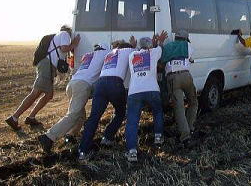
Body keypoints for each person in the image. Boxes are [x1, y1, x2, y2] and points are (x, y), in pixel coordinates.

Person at [37, 43, 110, 153]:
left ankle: (70, 135)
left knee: (80, 116)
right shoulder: (105, 53)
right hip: (82, 85)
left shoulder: (89, 55)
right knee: (73, 115)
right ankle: (48, 137)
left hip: (72, 84)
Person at [5, 25, 80, 130]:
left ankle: (31, 117)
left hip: (47, 66)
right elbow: (64, 48)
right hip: (47, 65)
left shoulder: (59, 35)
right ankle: (14, 117)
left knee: (48, 95)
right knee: (36, 93)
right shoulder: (65, 34)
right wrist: (74, 43)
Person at [77, 37, 137, 160]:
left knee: (94, 117)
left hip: (100, 84)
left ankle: (83, 151)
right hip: (115, 83)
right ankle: (108, 137)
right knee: (120, 113)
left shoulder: (110, 53)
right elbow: (138, 54)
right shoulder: (127, 51)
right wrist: (133, 45)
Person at [125, 31, 168, 162]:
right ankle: (158, 137)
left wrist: (133, 45)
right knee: (158, 112)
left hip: (134, 92)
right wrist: (159, 41)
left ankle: (132, 151)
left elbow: (137, 50)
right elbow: (159, 48)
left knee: (132, 121)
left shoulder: (132, 55)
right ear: (150, 46)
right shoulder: (154, 53)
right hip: (152, 90)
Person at [161, 30, 198, 147]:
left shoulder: (166, 47)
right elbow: (191, 59)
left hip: (172, 79)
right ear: (186, 39)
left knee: (179, 108)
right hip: (186, 77)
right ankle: (190, 128)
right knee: (193, 102)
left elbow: (162, 62)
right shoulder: (188, 45)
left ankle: (185, 136)